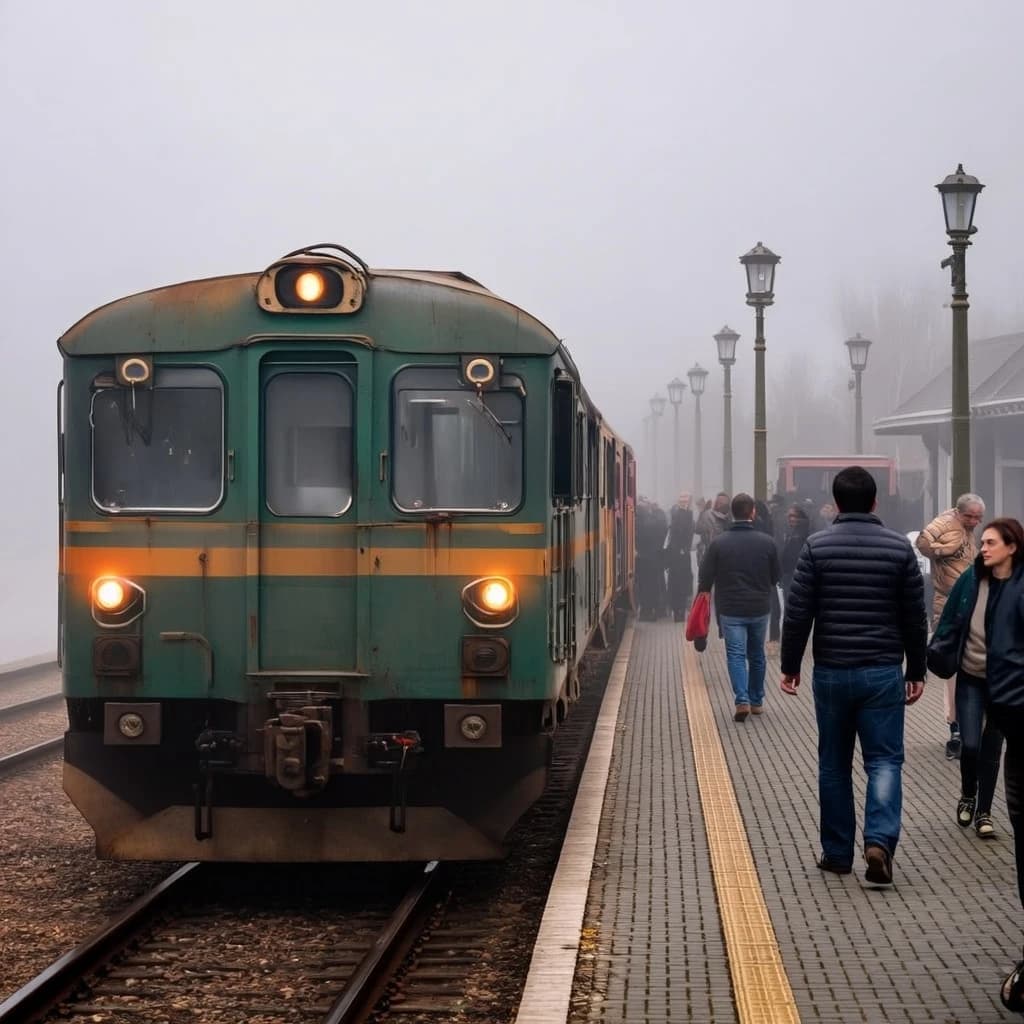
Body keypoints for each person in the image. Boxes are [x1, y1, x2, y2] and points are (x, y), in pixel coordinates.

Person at [780, 466, 927, 886]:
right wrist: (915, 670)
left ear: (837, 502)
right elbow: (914, 618)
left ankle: (838, 853)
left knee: (833, 765)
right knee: (884, 761)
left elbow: (798, 613)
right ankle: (878, 842)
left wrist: (790, 665)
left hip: (831, 672)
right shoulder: (899, 548)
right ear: (876, 502)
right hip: (883, 672)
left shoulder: (816, 546)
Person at [931, 521, 1015, 839]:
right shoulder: (970, 579)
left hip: (1002, 682)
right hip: (970, 675)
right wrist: (938, 650)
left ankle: (984, 812)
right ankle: (968, 792)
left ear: (1012, 548)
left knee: (992, 748)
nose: (983, 548)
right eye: (983, 543)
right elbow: (950, 620)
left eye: (991, 543)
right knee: (969, 745)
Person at [696, 492, 780, 721]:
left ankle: (741, 700)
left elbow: (705, 580)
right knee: (757, 654)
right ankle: (757, 701)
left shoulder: (718, 543)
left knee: (735, 654)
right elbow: (775, 578)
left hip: (731, 608)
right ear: (752, 512)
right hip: (759, 608)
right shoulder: (768, 543)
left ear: (731, 513)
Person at [917, 493, 986, 760]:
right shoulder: (945, 522)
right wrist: (943, 551)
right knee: (954, 670)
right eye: (970, 516)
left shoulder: (968, 529)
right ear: (959, 512)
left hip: (969, 600)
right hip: (947, 603)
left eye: (978, 518)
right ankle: (956, 728)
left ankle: (970, 726)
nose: (975, 522)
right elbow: (923, 541)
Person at [665, 493, 695, 622]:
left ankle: (677, 611)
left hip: (675, 557)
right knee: (683, 585)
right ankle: (680, 611)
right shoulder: (689, 518)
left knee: (675, 585)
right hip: (683, 558)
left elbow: (673, 537)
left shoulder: (676, 517)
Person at [779, 504, 810, 605]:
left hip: (797, 575)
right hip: (788, 575)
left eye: (794, 516)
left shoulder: (803, 533)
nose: (791, 519)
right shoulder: (789, 531)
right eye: (789, 516)